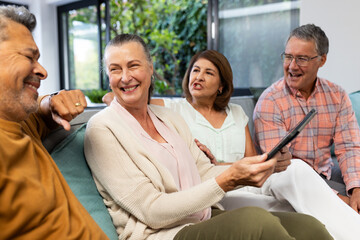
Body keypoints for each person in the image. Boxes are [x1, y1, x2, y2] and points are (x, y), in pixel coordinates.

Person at [84, 33, 334, 240]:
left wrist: (259, 167)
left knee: (308, 227)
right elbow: (151, 211)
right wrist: (228, 180)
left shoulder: (168, 118)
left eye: (133, 65)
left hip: (202, 216)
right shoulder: (102, 128)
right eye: (115, 70)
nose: (125, 77)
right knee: (256, 222)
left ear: (150, 69)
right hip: (161, 234)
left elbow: (204, 172)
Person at [0, 6, 108, 239]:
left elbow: (41, 111)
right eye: (29, 57)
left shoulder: (18, 121)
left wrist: (51, 101)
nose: (43, 71)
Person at [253, 24, 360, 213]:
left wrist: (356, 189)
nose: (292, 66)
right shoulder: (270, 101)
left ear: (322, 60)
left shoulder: (337, 95)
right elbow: (283, 168)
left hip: (325, 173)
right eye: (288, 57)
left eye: (302, 59)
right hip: (288, 181)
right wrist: (338, 199)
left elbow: (349, 147)